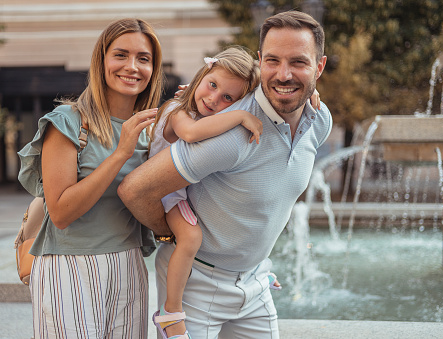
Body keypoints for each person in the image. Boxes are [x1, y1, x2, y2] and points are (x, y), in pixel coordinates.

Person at [118, 10, 330, 339]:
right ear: (261, 63)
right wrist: (172, 234)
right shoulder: (229, 135)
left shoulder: (320, 120)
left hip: (257, 283)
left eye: (299, 62)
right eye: (273, 61)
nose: (284, 74)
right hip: (196, 285)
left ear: (319, 67)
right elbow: (134, 189)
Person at [17, 18, 163, 338]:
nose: (132, 66)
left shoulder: (152, 132)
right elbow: (61, 212)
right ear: (102, 61)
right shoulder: (67, 122)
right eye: (121, 55)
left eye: (144, 58)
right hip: (68, 268)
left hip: (129, 266)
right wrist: (120, 153)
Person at [149, 46, 263, 339]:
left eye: (228, 97)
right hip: (163, 190)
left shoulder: (194, 107)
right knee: (191, 237)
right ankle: (171, 313)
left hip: (178, 189)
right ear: (202, 75)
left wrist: (312, 95)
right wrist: (238, 115)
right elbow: (190, 134)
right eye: (212, 85)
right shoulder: (177, 111)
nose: (214, 99)